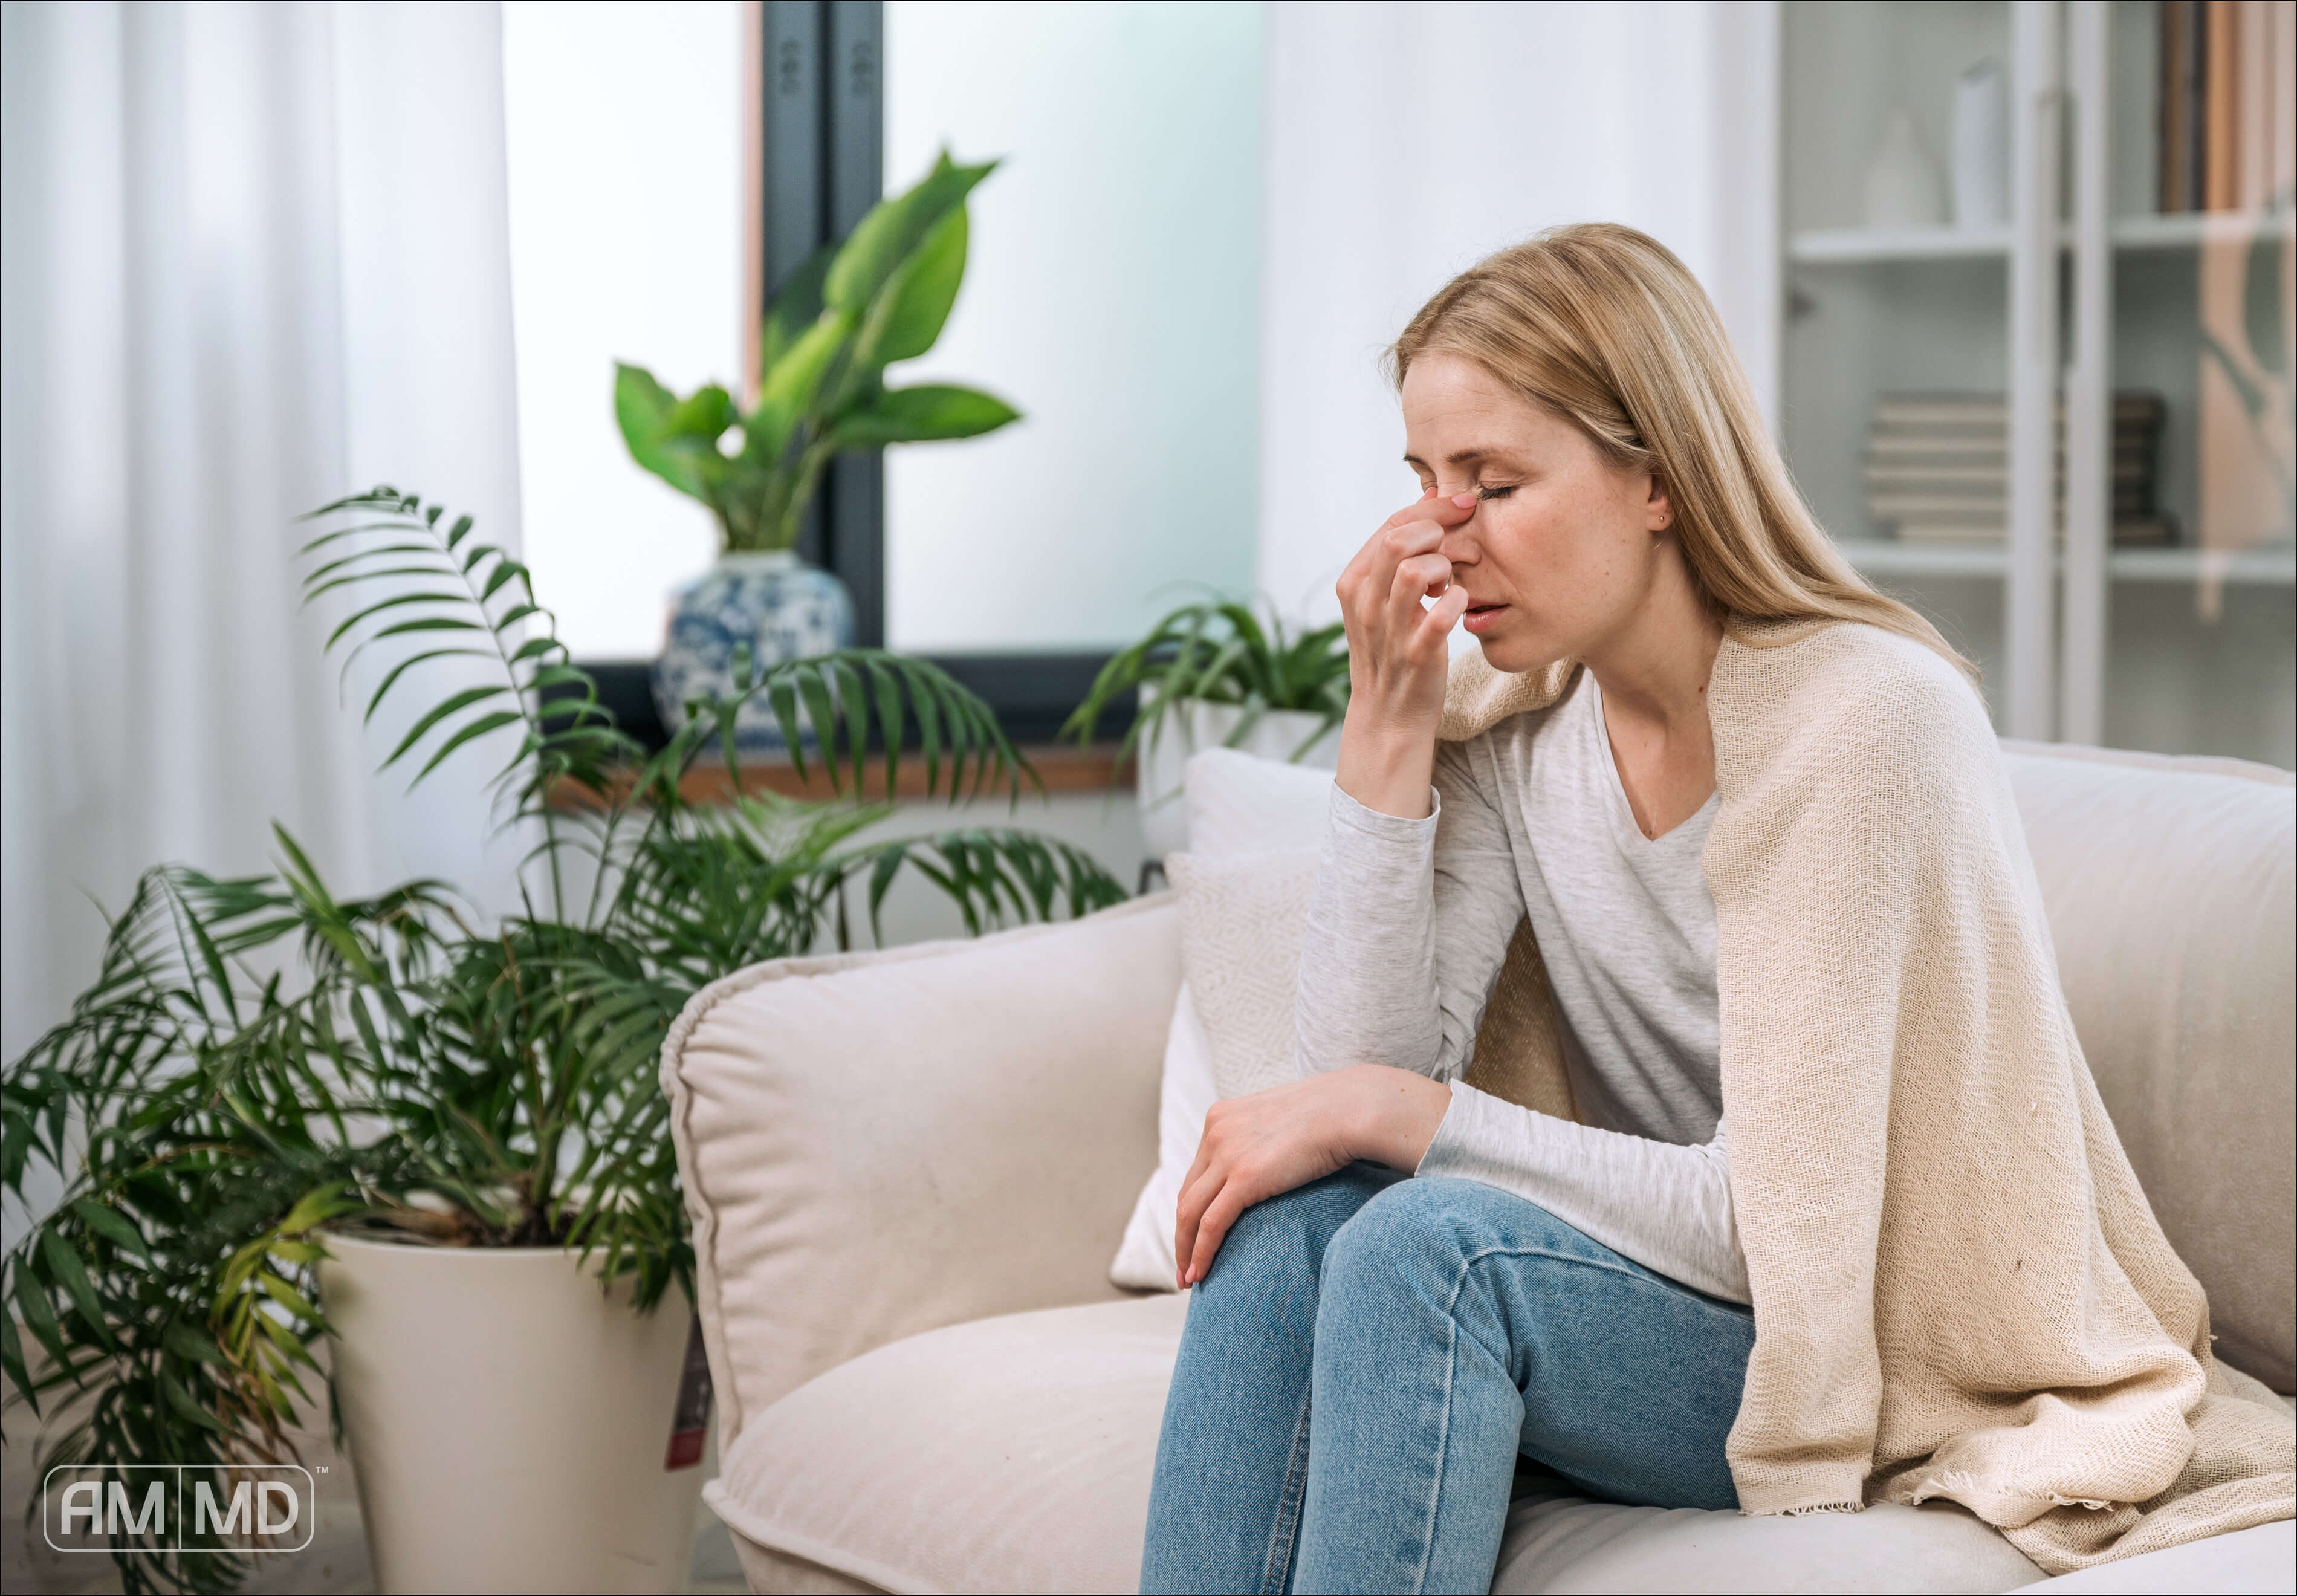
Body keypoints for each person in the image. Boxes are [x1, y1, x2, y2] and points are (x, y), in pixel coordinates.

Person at [1138, 224, 2292, 1596]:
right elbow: (1354, 1085)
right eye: (1424, 481)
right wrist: (1385, 733)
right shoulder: (1517, 725)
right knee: (1294, 1224)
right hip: (1652, 1301)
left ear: (1658, 482)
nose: (1440, 536)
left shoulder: (1862, 723)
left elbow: (1769, 1223)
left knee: (1424, 1250)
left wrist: (1395, 1116)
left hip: (1852, 1338)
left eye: (1494, 482)